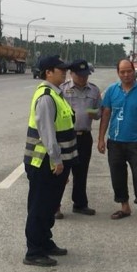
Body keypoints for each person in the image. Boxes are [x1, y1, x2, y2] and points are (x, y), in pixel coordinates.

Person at [23, 55, 78, 267]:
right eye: (60, 69)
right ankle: (34, 251)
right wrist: (57, 161)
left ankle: (45, 242)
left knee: (49, 206)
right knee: (39, 206)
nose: (64, 73)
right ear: (48, 72)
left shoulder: (57, 94)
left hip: (56, 162)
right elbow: (47, 134)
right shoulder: (46, 96)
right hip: (44, 163)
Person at [97, 58, 137, 224]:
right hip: (115, 141)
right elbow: (106, 114)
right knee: (117, 175)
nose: (126, 74)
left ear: (134, 71)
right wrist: (101, 138)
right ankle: (124, 206)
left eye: (129, 71)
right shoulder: (111, 91)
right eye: (122, 72)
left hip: (136, 142)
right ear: (118, 73)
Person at [57, 59, 102, 217]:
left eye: (86, 75)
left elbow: (99, 113)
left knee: (81, 172)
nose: (83, 78)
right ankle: (55, 206)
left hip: (84, 137)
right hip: (66, 136)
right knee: (61, 172)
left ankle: (80, 204)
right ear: (71, 73)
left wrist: (93, 112)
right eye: (80, 75)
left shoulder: (94, 91)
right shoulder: (62, 89)